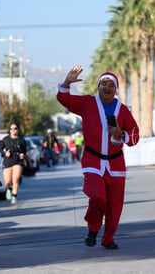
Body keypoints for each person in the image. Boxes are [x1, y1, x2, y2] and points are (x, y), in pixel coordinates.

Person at [56, 65, 139, 249]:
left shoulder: (123, 110)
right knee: (98, 196)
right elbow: (64, 98)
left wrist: (120, 132)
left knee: (114, 207)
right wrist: (67, 82)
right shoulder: (87, 103)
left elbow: (134, 137)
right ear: (98, 87)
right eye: (104, 84)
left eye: (111, 84)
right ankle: (93, 229)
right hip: (93, 161)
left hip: (116, 164)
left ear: (115, 89)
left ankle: (108, 238)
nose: (107, 87)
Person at [0, 123, 27, 205]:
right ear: (10, 130)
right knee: (7, 181)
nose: (13, 130)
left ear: (17, 130)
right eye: (12, 128)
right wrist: (5, 153)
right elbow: (1, 149)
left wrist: (23, 154)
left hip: (18, 161)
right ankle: (9, 189)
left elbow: (24, 150)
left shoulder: (21, 139)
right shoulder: (5, 139)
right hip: (8, 161)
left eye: (15, 128)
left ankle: (14, 196)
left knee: (16, 179)